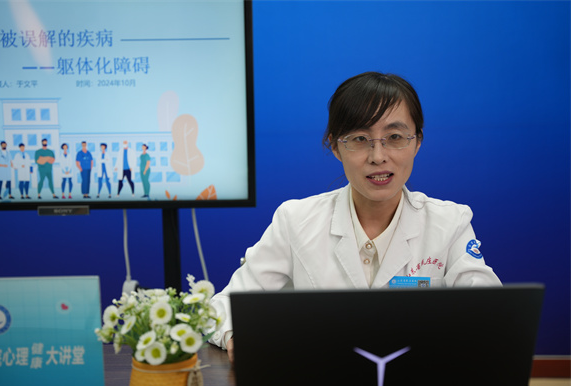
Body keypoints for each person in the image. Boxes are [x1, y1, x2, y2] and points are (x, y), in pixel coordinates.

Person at [208, 72, 502, 362]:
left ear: (417, 142)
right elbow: (224, 305)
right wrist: (235, 334)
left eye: (395, 137)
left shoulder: (449, 223)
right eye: (360, 139)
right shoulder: (295, 221)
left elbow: (492, 312)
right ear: (335, 146)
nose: (378, 156)